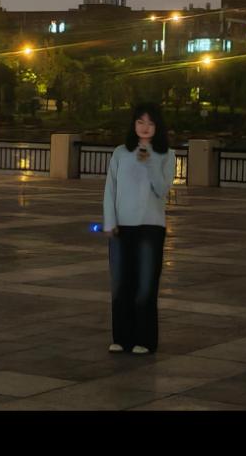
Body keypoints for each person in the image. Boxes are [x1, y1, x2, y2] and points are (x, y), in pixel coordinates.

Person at [103, 103, 176, 354]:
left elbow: (162, 189)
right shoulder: (120, 153)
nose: (145, 128)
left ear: (157, 127)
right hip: (122, 226)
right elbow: (110, 188)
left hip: (150, 226)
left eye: (150, 123)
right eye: (140, 122)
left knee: (145, 285)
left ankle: (144, 340)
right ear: (134, 124)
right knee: (120, 283)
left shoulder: (167, 155)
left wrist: (150, 161)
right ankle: (121, 337)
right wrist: (109, 221)